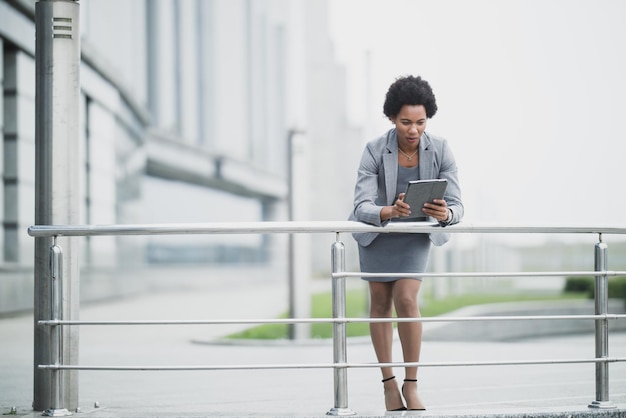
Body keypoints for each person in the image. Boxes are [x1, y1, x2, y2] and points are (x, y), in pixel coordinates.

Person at [349, 75, 463, 411]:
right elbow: (361, 206)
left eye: (420, 122)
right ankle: (388, 385)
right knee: (381, 305)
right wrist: (388, 210)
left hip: (414, 236)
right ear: (391, 118)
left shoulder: (441, 149)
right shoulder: (373, 149)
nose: (413, 131)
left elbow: (457, 205)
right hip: (379, 235)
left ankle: (411, 383)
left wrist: (444, 213)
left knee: (406, 299)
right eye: (405, 122)